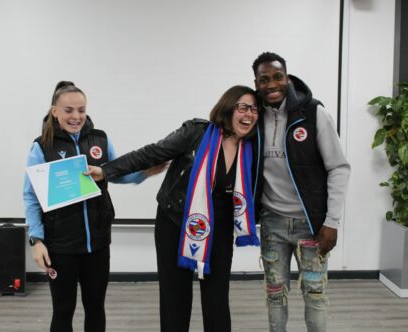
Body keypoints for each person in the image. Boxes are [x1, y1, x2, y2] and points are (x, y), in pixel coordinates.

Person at [86, 85, 261, 332]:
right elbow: (152, 153)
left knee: (217, 300)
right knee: (174, 299)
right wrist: (106, 170)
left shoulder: (253, 147)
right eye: (243, 107)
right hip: (175, 222)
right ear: (228, 107)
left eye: (254, 109)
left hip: (220, 230)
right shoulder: (196, 133)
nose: (249, 114)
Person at [24, 81, 162, 332]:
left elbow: (115, 173)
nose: (76, 116)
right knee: (63, 310)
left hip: (97, 242)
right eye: (68, 110)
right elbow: (31, 196)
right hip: (60, 245)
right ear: (55, 111)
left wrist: (146, 172)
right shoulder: (42, 146)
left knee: (95, 307)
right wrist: (37, 239)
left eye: (81, 110)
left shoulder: (100, 139)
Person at [252, 52, 351, 332]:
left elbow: (339, 168)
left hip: (312, 226)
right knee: (274, 294)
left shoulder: (313, 112)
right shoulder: (253, 116)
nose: (271, 84)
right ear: (256, 83)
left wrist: (331, 223)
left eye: (277, 76)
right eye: (264, 79)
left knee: (315, 295)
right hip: (272, 223)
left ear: (287, 77)